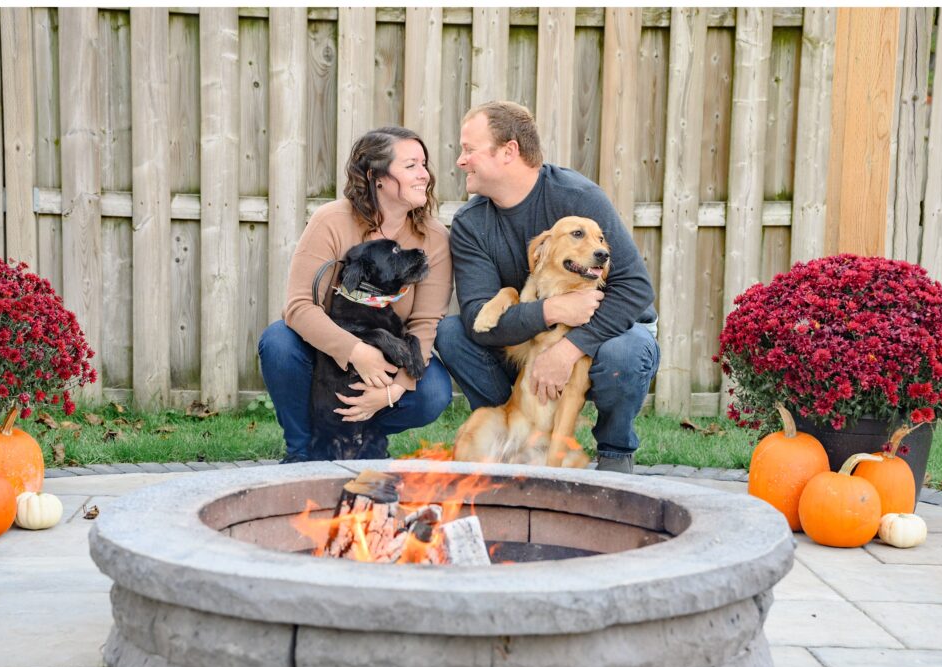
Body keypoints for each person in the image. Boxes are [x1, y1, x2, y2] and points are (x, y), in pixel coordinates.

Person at [436, 101, 659, 473]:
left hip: (608, 331)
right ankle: (515, 440)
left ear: (509, 151)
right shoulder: (470, 223)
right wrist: (551, 311)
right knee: (452, 332)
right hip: (528, 339)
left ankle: (615, 455)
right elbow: (478, 317)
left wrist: (569, 349)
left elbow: (635, 290)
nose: (461, 160)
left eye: (469, 150)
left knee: (629, 351)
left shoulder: (577, 198)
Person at [259, 127, 453, 463]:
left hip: (390, 356)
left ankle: (366, 436)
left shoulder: (433, 237)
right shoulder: (331, 221)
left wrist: (393, 391)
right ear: (376, 177)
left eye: (424, 164)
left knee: (434, 390)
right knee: (278, 341)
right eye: (411, 166)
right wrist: (356, 352)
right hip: (328, 358)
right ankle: (303, 451)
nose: (424, 174)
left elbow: (424, 322)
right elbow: (299, 308)